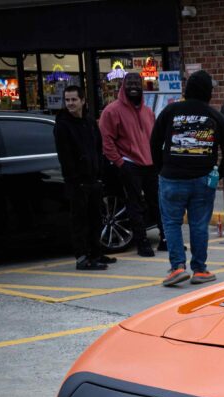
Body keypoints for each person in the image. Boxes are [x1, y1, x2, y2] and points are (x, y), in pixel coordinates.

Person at [150, 69, 224, 287]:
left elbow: (154, 141)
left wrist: (161, 168)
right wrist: (218, 173)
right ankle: (200, 270)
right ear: (208, 92)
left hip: (171, 178)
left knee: (171, 223)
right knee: (199, 225)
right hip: (203, 179)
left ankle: (177, 267)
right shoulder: (215, 116)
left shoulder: (170, 111)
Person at [100, 71, 166, 257]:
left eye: (137, 83)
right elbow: (106, 141)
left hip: (150, 164)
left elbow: (153, 138)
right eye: (130, 83)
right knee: (135, 204)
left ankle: (165, 239)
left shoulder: (148, 111)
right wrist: (120, 163)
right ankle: (142, 242)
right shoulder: (111, 111)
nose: (134, 87)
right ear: (123, 86)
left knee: (158, 203)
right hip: (129, 164)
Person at [53, 84, 114, 270]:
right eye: (67, 100)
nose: (70, 103)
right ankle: (82, 258)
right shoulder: (62, 126)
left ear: (83, 101)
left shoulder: (89, 122)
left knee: (96, 220)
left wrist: (99, 174)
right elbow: (65, 157)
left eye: (74, 100)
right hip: (77, 183)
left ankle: (96, 254)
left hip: (94, 180)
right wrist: (76, 180)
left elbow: (98, 148)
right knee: (80, 222)